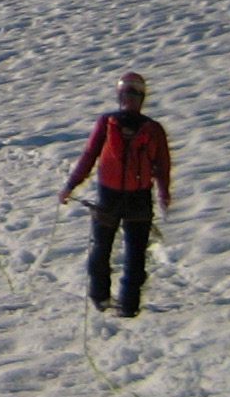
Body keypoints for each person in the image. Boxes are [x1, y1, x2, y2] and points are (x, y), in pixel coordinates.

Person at [57, 71, 173, 317]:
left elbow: (89, 156)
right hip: (138, 198)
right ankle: (127, 306)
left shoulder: (107, 122)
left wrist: (70, 185)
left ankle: (102, 300)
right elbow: (162, 165)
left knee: (104, 249)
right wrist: (163, 192)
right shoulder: (153, 129)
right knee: (133, 254)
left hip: (111, 196)